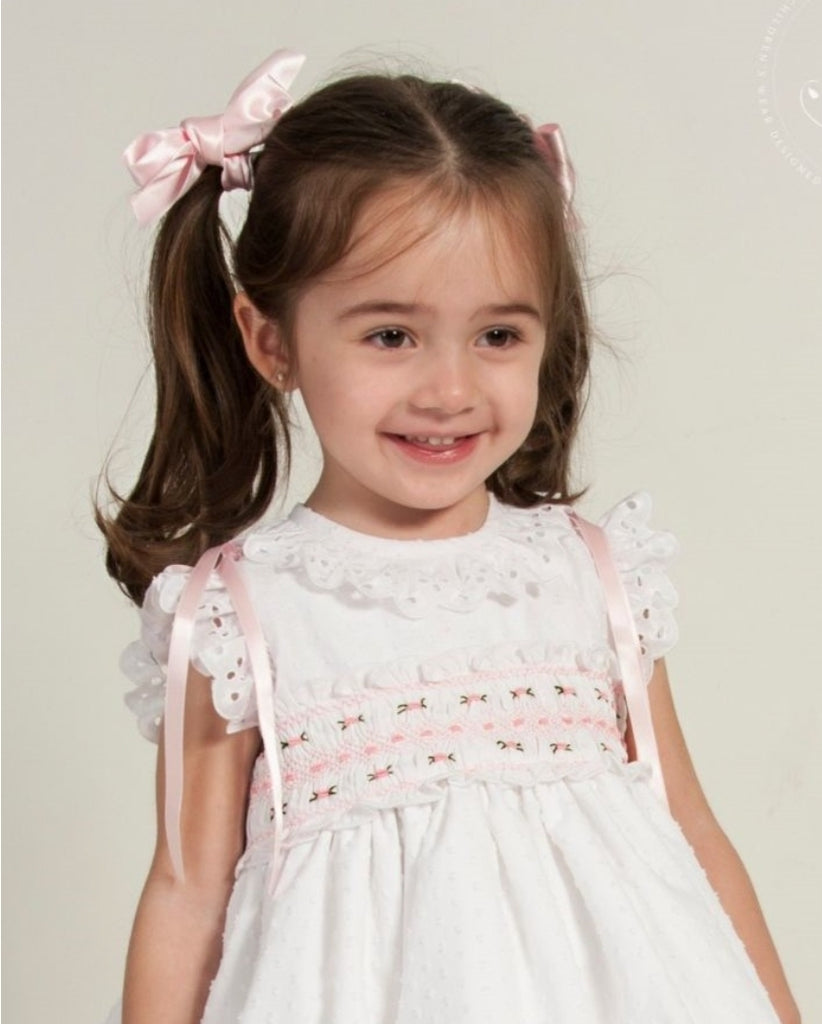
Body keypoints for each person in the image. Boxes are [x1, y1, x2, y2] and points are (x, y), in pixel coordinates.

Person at [98, 48, 800, 1024]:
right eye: (391, 335)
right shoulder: (241, 616)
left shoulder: (594, 575)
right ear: (271, 340)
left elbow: (690, 828)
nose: (451, 389)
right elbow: (186, 891)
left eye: (498, 336)